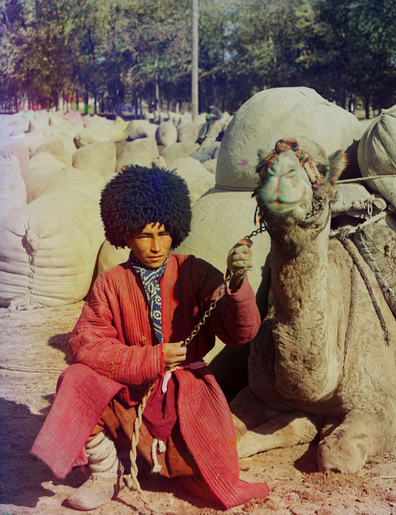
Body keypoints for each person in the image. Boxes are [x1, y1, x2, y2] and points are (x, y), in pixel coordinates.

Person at [31, 165, 269, 511]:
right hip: (131, 392)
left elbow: (241, 332)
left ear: (175, 229)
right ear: (125, 235)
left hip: (186, 394)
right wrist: (151, 359)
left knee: (212, 482)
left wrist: (235, 285)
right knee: (77, 379)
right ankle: (104, 474)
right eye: (144, 236)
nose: (156, 246)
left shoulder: (195, 270)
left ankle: (158, 460)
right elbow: (85, 343)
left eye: (163, 234)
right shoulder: (110, 282)